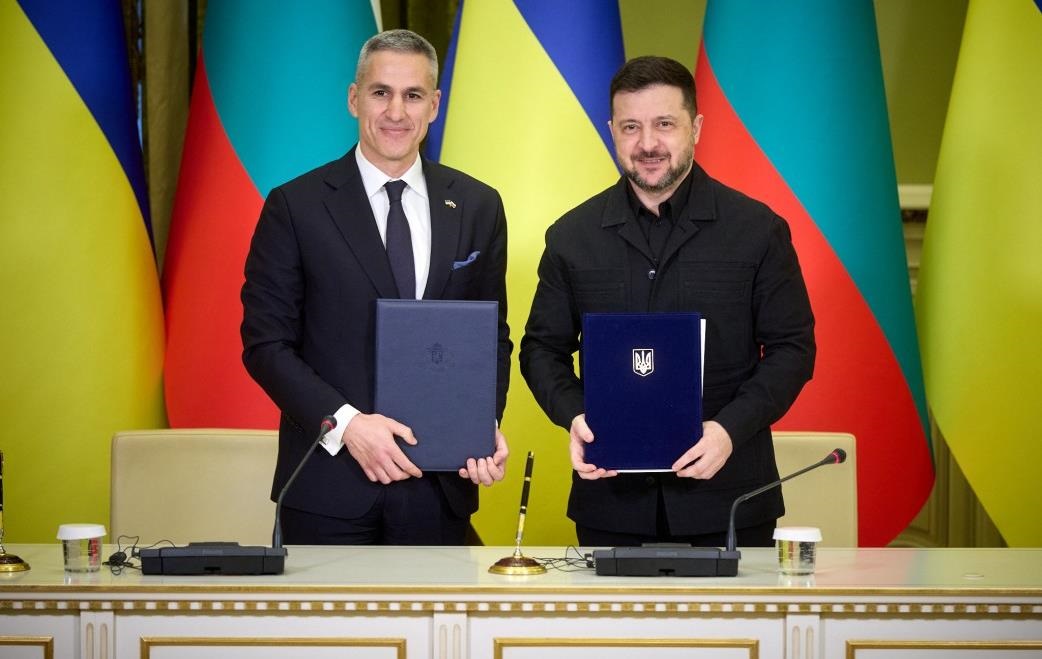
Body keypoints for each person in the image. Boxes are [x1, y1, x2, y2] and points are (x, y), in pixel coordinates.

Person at [519, 56, 815, 548]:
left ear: (695, 128)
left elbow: (792, 349)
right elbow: (541, 350)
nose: (648, 144)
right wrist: (576, 418)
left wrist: (728, 431)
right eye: (631, 127)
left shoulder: (758, 230)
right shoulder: (571, 236)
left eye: (664, 124)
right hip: (610, 501)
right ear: (612, 131)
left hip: (731, 498)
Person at [241, 30, 511, 545]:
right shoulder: (295, 206)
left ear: (434, 105)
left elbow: (490, 337)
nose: (396, 112)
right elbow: (265, 345)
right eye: (380, 92)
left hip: (439, 487)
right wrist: (347, 426)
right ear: (354, 98)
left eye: (413, 95)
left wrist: (481, 423)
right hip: (327, 489)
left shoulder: (479, 206)